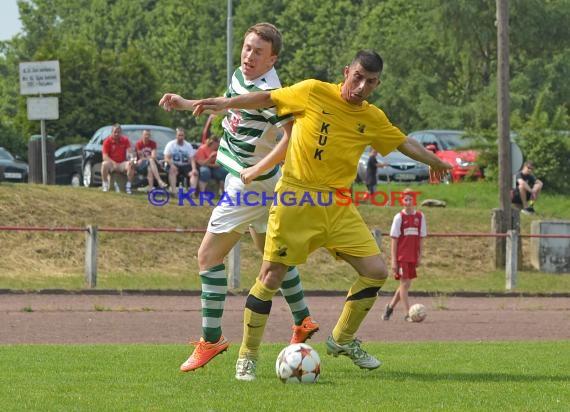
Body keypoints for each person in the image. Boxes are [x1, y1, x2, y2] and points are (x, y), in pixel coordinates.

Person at [191, 49, 452, 381]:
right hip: (296, 198)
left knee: (375, 271)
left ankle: (341, 339)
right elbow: (268, 97)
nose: (361, 87)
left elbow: (402, 142)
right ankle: (248, 355)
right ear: (346, 72)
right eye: (357, 77)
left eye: (370, 82)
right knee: (270, 276)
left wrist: (436, 161)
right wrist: (226, 103)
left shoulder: (372, 117)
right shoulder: (314, 91)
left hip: (338, 206)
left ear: (377, 83)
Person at [158, 22, 319, 373]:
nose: (248, 55)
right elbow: (231, 109)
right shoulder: (240, 75)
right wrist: (188, 104)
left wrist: (254, 168)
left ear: (272, 59)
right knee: (270, 257)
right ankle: (304, 319)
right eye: (247, 48)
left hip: (248, 187)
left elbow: (290, 139)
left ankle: (211, 338)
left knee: (207, 257)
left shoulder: (273, 93)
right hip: (260, 184)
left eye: (258, 52)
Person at [382, 188, 427, 322]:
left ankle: (389, 308)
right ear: (402, 201)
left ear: (413, 200)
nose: (407, 202)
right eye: (405, 200)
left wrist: (420, 255)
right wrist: (394, 261)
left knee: (405, 284)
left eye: (410, 199)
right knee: (405, 284)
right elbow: (394, 239)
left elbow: (421, 238)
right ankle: (409, 313)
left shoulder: (420, 216)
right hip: (402, 256)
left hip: (413, 255)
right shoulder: (399, 217)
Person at [101, 123, 135, 193]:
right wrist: (113, 163)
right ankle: (105, 184)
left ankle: (128, 186)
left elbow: (130, 151)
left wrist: (132, 158)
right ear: (112, 132)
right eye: (115, 132)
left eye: (118, 132)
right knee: (104, 164)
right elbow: (105, 157)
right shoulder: (107, 141)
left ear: (121, 133)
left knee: (131, 165)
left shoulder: (125, 140)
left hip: (122, 163)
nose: (116, 134)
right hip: (111, 163)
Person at [163, 127, 198, 193]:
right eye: (179, 135)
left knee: (194, 174)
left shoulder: (188, 145)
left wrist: (194, 169)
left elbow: (192, 159)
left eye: (182, 135)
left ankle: (192, 193)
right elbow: (166, 158)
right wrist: (172, 165)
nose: (181, 137)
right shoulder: (171, 144)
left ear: (184, 136)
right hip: (174, 164)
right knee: (172, 171)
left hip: (185, 165)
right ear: (176, 136)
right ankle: (174, 192)